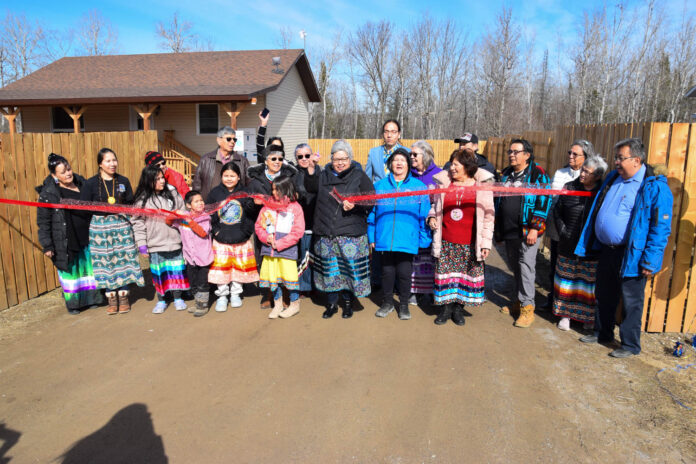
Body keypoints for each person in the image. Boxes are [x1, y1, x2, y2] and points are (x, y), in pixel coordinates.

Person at [575, 138, 673, 357]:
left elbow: (660, 228)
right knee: (604, 294)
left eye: (621, 158)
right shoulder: (613, 178)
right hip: (607, 249)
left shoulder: (654, 187)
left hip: (632, 254)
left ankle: (630, 345)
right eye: (616, 157)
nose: (616, 162)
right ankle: (603, 333)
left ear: (636, 160)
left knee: (631, 301)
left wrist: (650, 260)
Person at [304, 139, 375, 318]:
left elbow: (371, 199)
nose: (340, 163)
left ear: (350, 159)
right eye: (336, 159)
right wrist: (311, 167)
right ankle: (332, 304)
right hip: (326, 233)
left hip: (351, 234)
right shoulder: (323, 175)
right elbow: (310, 188)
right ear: (331, 159)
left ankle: (348, 303)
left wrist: (356, 205)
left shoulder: (359, 176)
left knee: (349, 271)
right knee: (330, 272)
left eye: (344, 159)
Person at [428, 149, 495, 326]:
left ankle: (458, 309)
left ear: (467, 166)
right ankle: (445, 309)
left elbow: (489, 217)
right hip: (446, 242)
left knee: (464, 278)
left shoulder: (481, 186)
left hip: (470, 243)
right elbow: (434, 206)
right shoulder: (444, 184)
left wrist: (486, 243)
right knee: (446, 277)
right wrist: (432, 217)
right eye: (451, 164)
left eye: (456, 164)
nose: (452, 168)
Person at [36, 153, 104, 314]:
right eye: (63, 172)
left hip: (88, 235)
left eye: (69, 169)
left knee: (89, 269)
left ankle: (92, 299)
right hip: (65, 239)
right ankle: (74, 304)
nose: (68, 173)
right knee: (72, 272)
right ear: (54, 176)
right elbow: (43, 222)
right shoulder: (48, 194)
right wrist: (47, 245)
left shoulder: (83, 184)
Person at [368, 148, 431, 320]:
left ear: (408, 165)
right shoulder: (379, 186)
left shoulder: (419, 187)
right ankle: (387, 302)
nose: (399, 163)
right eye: (395, 160)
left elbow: (424, 214)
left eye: (403, 160)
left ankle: (403, 305)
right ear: (390, 164)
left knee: (404, 273)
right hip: (385, 237)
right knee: (387, 272)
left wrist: (423, 238)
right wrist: (372, 235)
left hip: (407, 238)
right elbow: (372, 213)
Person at [80, 148, 144, 314]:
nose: (112, 164)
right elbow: (84, 207)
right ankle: (111, 297)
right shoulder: (90, 183)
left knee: (123, 259)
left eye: (114, 160)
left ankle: (124, 296)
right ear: (100, 164)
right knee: (106, 261)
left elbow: (130, 203)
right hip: (100, 228)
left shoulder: (123, 181)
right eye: (108, 161)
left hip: (121, 224)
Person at [494, 139, 551, 328]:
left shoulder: (537, 173)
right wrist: (498, 230)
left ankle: (528, 307)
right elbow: (498, 201)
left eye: (515, 151)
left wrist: (535, 227)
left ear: (527, 155)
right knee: (515, 267)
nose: (511, 155)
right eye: (510, 151)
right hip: (509, 229)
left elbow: (544, 200)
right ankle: (518, 301)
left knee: (526, 266)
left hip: (528, 230)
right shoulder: (506, 174)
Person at [552, 156, 606, 331]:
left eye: (587, 172)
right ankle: (565, 315)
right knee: (566, 281)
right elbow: (557, 211)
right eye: (583, 170)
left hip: (591, 246)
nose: (582, 174)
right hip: (568, 243)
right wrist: (563, 231)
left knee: (586, 284)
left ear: (597, 176)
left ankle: (586, 317)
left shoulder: (603, 193)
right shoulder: (570, 187)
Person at [544, 139, 595, 310]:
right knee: (555, 266)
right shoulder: (560, 173)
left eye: (575, 154)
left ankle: (572, 306)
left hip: (578, 232)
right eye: (569, 152)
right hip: (558, 228)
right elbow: (554, 200)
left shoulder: (590, 176)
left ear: (586, 157)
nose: (570, 156)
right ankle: (553, 299)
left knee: (577, 271)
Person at [248, 147, 302, 308]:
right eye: (273, 159)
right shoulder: (256, 180)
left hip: (285, 228)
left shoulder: (289, 177)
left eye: (280, 159)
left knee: (285, 265)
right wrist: (254, 203)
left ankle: (285, 295)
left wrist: (294, 196)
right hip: (265, 226)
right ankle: (268, 294)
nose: (277, 162)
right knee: (266, 262)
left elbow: (299, 195)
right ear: (266, 161)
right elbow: (247, 204)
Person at [133, 165, 190, 314]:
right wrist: (142, 245)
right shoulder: (142, 201)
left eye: (162, 177)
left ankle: (178, 298)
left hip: (174, 241)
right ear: (148, 180)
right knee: (159, 273)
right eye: (157, 179)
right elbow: (138, 224)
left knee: (176, 270)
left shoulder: (172, 193)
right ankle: (162, 299)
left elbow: (183, 211)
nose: (162, 181)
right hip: (155, 244)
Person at [206, 162, 259, 312]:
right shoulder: (215, 193)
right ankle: (222, 296)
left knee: (238, 268)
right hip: (221, 239)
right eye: (226, 175)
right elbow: (209, 214)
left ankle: (236, 294)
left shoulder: (245, 192)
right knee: (221, 269)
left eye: (232, 176)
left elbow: (251, 215)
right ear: (221, 176)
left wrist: (246, 232)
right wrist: (216, 231)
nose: (229, 179)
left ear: (238, 177)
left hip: (240, 239)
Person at [255, 176, 305, 319]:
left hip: (287, 252)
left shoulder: (295, 207)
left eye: (277, 190)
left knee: (289, 278)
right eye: (273, 190)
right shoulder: (267, 206)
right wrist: (266, 237)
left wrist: (280, 243)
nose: (274, 193)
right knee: (273, 279)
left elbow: (298, 231)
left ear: (286, 189)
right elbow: (259, 226)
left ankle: (294, 304)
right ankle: (277, 304)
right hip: (269, 251)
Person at [409, 140, 442, 304]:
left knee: (430, 259)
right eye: (410, 154)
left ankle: (430, 291)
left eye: (415, 154)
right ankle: (415, 291)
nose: (411, 157)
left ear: (426, 155)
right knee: (414, 259)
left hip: (431, 223)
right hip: (412, 223)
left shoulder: (439, 175)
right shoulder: (409, 174)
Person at [172, 190, 214, 317]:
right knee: (193, 282)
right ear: (188, 205)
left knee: (202, 283)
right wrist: (174, 213)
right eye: (196, 201)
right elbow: (169, 221)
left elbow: (202, 232)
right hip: (190, 258)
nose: (201, 203)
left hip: (203, 257)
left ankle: (203, 306)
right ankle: (198, 302)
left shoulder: (205, 217)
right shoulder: (183, 218)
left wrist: (188, 219)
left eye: (201, 200)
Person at [192, 126, 250, 200]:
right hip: (211, 204)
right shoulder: (206, 160)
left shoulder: (242, 161)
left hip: (236, 204)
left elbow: (249, 184)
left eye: (234, 139)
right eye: (228, 139)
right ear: (219, 140)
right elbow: (197, 185)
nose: (232, 142)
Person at [293, 143, 320, 295]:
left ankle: (316, 285)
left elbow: (316, 189)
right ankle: (303, 286)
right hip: (299, 220)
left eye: (307, 155)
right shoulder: (293, 173)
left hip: (316, 219)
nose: (304, 159)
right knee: (301, 255)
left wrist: (312, 168)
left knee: (315, 255)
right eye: (300, 156)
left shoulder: (320, 171)